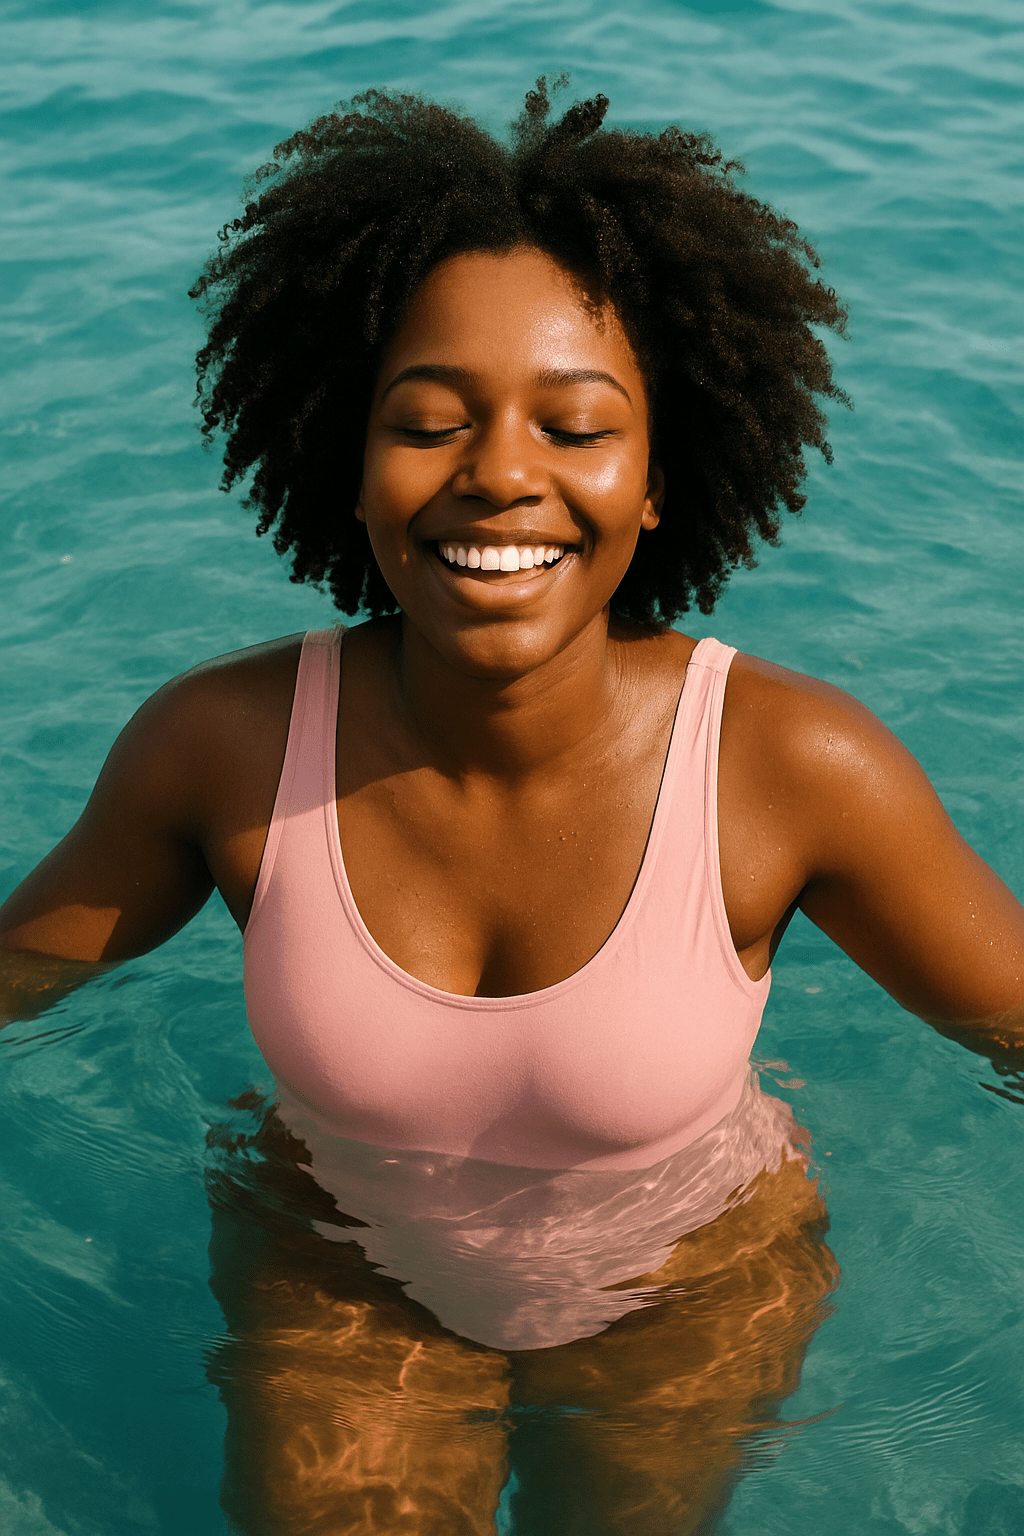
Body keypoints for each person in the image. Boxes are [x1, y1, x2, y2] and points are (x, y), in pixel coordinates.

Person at [2, 80, 1022, 1536]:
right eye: (428, 422)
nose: (500, 475)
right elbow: (15, 977)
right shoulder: (219, 749)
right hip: (338, 1269)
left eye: (576, 426)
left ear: (661, 477)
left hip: (689, 1285)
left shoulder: (791, 768)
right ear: (345, 461)